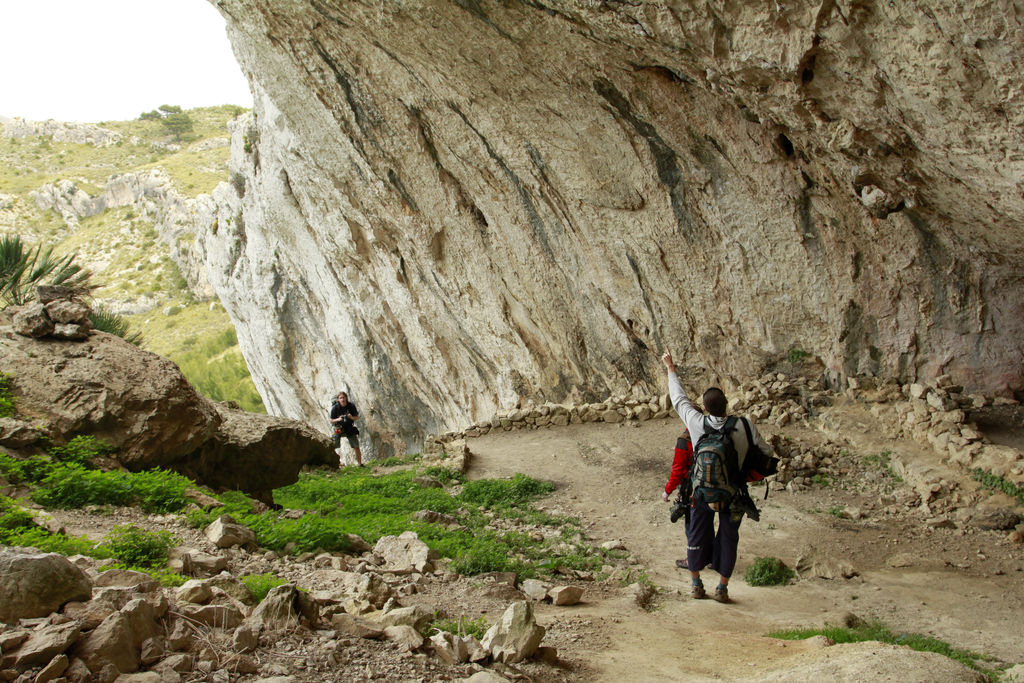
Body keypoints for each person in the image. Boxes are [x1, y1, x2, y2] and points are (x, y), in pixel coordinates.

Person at [661, 348, 772, 603]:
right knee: (728, 537)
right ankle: (722, 588)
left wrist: (671, 369)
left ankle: (696, 584)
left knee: (698, 532)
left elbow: (679, 399)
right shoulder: (744, 425)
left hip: (701, 493)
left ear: (707, 408)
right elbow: (766, 452)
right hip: (734, 494)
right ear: (726, 406)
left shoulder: (697, 423)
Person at [662, 428, 693, 570]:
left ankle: (692, 559)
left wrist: (668, 490)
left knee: (691, 525)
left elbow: (678, 469)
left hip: (690, 489)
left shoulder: (684, 441)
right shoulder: (709, 432)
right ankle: (710, 558)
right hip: (710, 487)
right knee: (706, 522)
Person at [329, 390, 363, 466]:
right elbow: (331, 420)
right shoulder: (335, 408)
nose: (343, 399)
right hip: (338, 427)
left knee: (356, 446)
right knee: (334, 445)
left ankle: (360, 463)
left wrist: (351, 417)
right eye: (341, 398)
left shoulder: (351, 406)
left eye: (344, 397)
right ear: (338, 399)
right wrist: (338, 419)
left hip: (349, 427)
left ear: (346, 398)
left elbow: (356, 417)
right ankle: (333, 463)